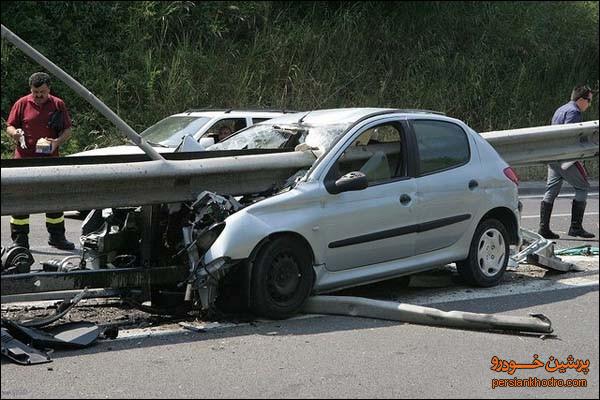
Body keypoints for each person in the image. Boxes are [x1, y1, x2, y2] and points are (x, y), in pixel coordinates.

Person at [5, 72, 76, 250]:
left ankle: (57, 236)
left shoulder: (58, 104)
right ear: (31, 90)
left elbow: (68, 130)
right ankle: (20, 239)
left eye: (42, 92)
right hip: (24, 160)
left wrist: (57, 142)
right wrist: (15, 133)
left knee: (53, 198)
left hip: (50, 161)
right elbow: (10, 126)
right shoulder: (22, 103)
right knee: (21, 199)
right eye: (35, 92)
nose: (38, 96)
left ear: (49, 89)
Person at [538, 85, 595, 239]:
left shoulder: (560, 109)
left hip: (553, 156)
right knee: (583, 186)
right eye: (589, 101)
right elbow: (570, 135)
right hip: (565, 158)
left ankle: (543, 229)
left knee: (551, 190)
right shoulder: (574, 112)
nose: (589, 104)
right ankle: (575, 228)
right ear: (581, 99)